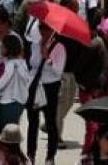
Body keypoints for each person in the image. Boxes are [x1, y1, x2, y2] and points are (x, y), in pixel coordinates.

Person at [26, 21, 66, 165]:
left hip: (50, 87)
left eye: (47, 28)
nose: (43, 31)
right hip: (35, 86)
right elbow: (32, 64)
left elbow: (58, 71)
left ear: (53, 30)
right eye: (41, 27)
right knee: (32, 123)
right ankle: (30, 154)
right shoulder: (35, 44)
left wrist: (48, 58)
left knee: (50, 122)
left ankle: (50, 156)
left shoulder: (59, 47)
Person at [0, 34, 31, 150]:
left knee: (8, 137)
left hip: (8, 104)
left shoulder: (11, 65)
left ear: (8, 48)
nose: (0, 48)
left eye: (2, 46)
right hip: (19, 103)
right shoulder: (22, 63)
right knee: (13, 135)